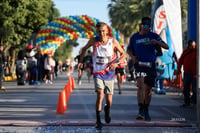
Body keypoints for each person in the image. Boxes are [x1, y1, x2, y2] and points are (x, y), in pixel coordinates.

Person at [78, 22, 126, 129]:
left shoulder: (112, 41)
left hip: (109, 73)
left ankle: (107, 109)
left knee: (109, 100)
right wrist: (81, 61)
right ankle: (98, 120)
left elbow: (123, 54)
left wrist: (116, 63)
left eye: (103, 31)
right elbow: (84, 49)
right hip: (98, 73)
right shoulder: (93, 41)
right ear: (96, 32)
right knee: (100, 94)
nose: (102, 33)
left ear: (107, 31)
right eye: (99, 31)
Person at [127, 17, 169, 121]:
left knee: (148, 89)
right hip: (139, 65)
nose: (146, 28)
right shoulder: (134, 37)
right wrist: (132, 57)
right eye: (145, 26)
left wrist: (157, 43)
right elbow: (129, 49)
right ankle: (140, 110)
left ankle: (146, 109)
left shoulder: (153, 36)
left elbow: (166, 47)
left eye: (148, 27)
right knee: (140, 86)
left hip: (151, 65)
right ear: (141, 26)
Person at [177, 40, 196, 107]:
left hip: (195, 74)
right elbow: (180, 60)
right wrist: (178, 69)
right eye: (192, 46)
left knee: (195, 89)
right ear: (189, 46)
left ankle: (194, 101)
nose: (193, 47)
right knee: (186, 89)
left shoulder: (197, 52)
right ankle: (187, 102)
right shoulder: (185, 52)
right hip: (187, 73)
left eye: (194, 46)